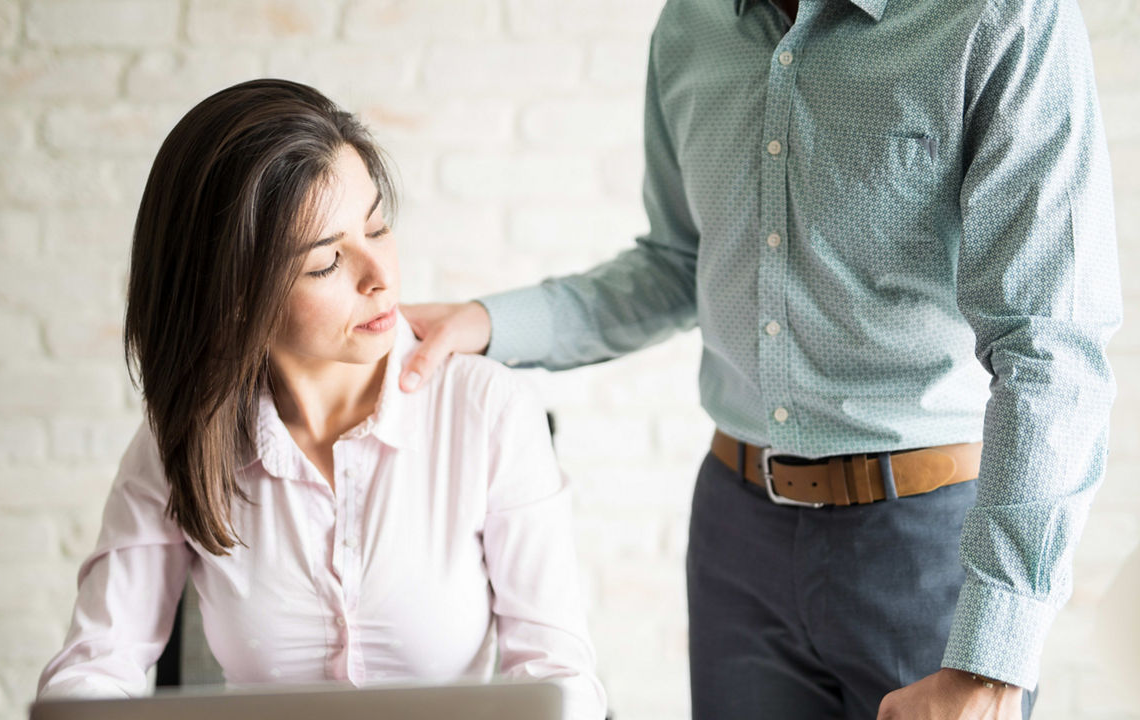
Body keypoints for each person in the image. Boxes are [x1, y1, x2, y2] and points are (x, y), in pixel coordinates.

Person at [397, 0, 1120, 718]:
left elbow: (1049, 348)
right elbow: (678, 264)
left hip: (927, 544)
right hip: (738, 534)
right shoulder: (691, 25)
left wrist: (991, 664)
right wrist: (491, 324)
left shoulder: (998, 18)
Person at [36, 79, 607, 720]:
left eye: (378, 227)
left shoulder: (488, 412)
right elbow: (93, 671)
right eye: (326, 263)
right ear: (233, 298)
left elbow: (561, 679)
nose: (381, 277)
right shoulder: (182, 441)